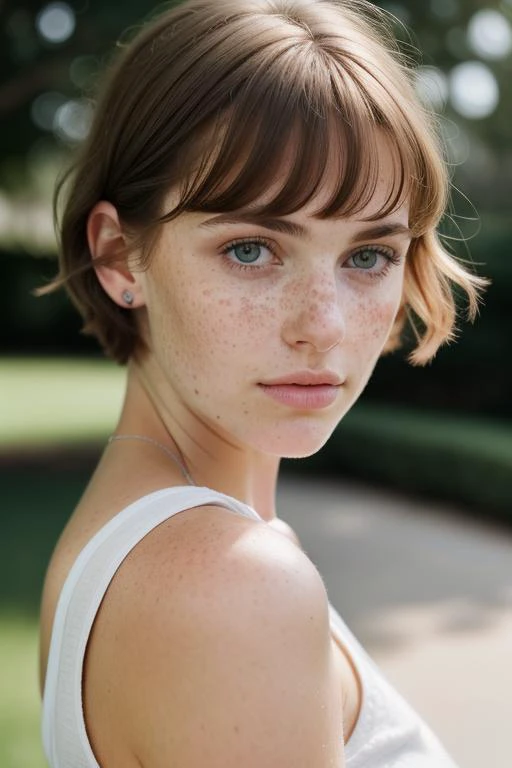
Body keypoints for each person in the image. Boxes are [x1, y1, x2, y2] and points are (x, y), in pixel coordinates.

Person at [38, 0, 487, 766]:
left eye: (368, 256)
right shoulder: (231, 586)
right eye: (251, 249)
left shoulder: (142, 545)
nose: (324, 325)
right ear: (119, 255)